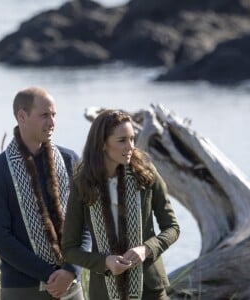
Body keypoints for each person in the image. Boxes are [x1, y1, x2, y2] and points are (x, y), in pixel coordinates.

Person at [0, 86, 91, 300]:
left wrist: (71, 270)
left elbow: (87, 220)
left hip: (71, 286)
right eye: (44, 115)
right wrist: (50, 275)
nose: (52, 122)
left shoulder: (70, 160)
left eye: (53, 115)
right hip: (22, 291)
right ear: (22, 116)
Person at [62, 109, 180, 300]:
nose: (130, 146)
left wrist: (147, 249)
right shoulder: (82, 184)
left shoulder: (146, 175)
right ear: (102, 144)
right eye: (122, 140)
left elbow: (172, 228)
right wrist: (105, 262)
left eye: (132, 139)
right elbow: (69, 249)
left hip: (151, 290)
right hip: (104, 293)